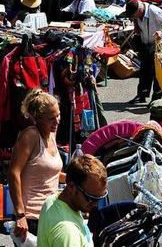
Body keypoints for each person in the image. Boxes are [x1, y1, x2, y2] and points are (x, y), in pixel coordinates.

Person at [9, 90, 62, 240]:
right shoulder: (30, 136)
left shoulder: (52, 134)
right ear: (37, 119)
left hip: (51, 215)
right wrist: (20, 215)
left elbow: (49, 173)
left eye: (58, 115)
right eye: (51, 118)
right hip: (31, 219)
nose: (57, 121)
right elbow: (14, 173)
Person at [37, 155, 106, 247]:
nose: (96, 204)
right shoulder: (68, 232)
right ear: (71, 187)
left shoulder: (53, 200)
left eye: (100, 198)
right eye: (91, 198)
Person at [125, 0, 162, 104]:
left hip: (159, 45)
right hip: (146, 43)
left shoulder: (154, 11)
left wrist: (161, 31)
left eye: (134, 16)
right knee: (144, 71)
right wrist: (136, 26)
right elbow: (135, 19)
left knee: (158, 73)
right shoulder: (138, 14)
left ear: (139, 10)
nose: (133, 18)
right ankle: (141, 95)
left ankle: (156, 99)